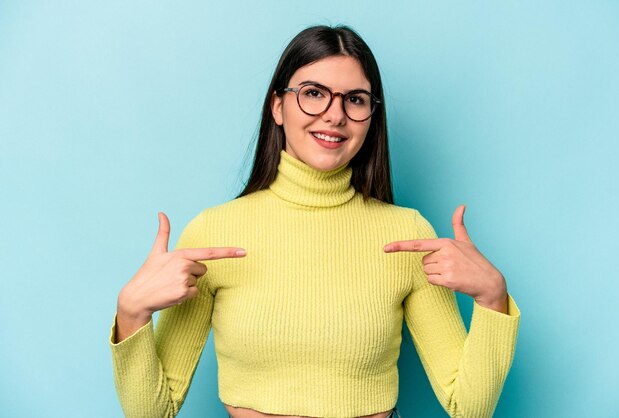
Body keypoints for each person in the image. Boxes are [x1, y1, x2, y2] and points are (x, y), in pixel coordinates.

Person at [109, 25, 520, 418]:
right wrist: (131, 313)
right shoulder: (214, 233)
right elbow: (153, 413)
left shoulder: (408, 234)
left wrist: (492, 298)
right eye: (313, 93)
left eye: (355, 99)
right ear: (278, 106)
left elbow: (469, 408)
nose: (334, 115)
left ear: (371, 117)